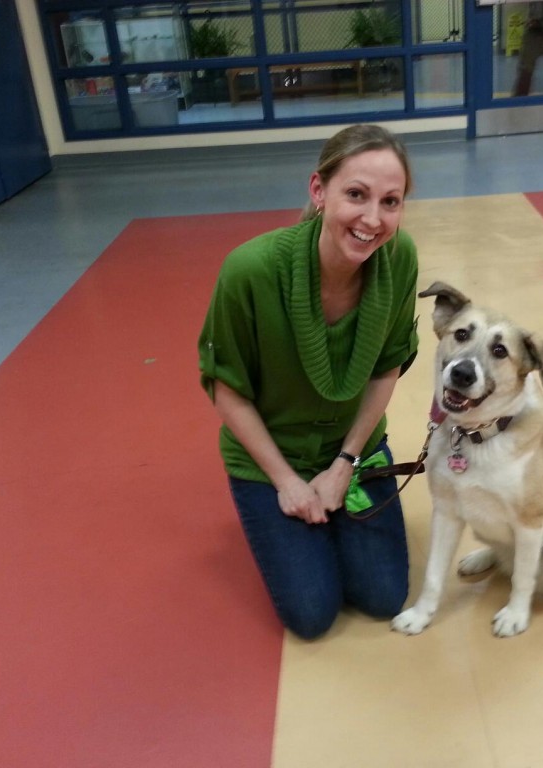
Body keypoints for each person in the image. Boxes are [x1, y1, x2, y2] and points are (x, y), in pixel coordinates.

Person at [197, 124, 419, 640]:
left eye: (391, 201)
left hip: (353, 447)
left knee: (383, 597)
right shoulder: (249, 271)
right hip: (273, 456)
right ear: (319, 190)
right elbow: (226, 387)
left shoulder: (400, 258)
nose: (372, 219)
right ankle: (291, 511)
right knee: (312, 615)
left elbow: (387, 365)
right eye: (356, 195)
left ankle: (336, 506)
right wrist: (288, 482)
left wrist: (346, 463)